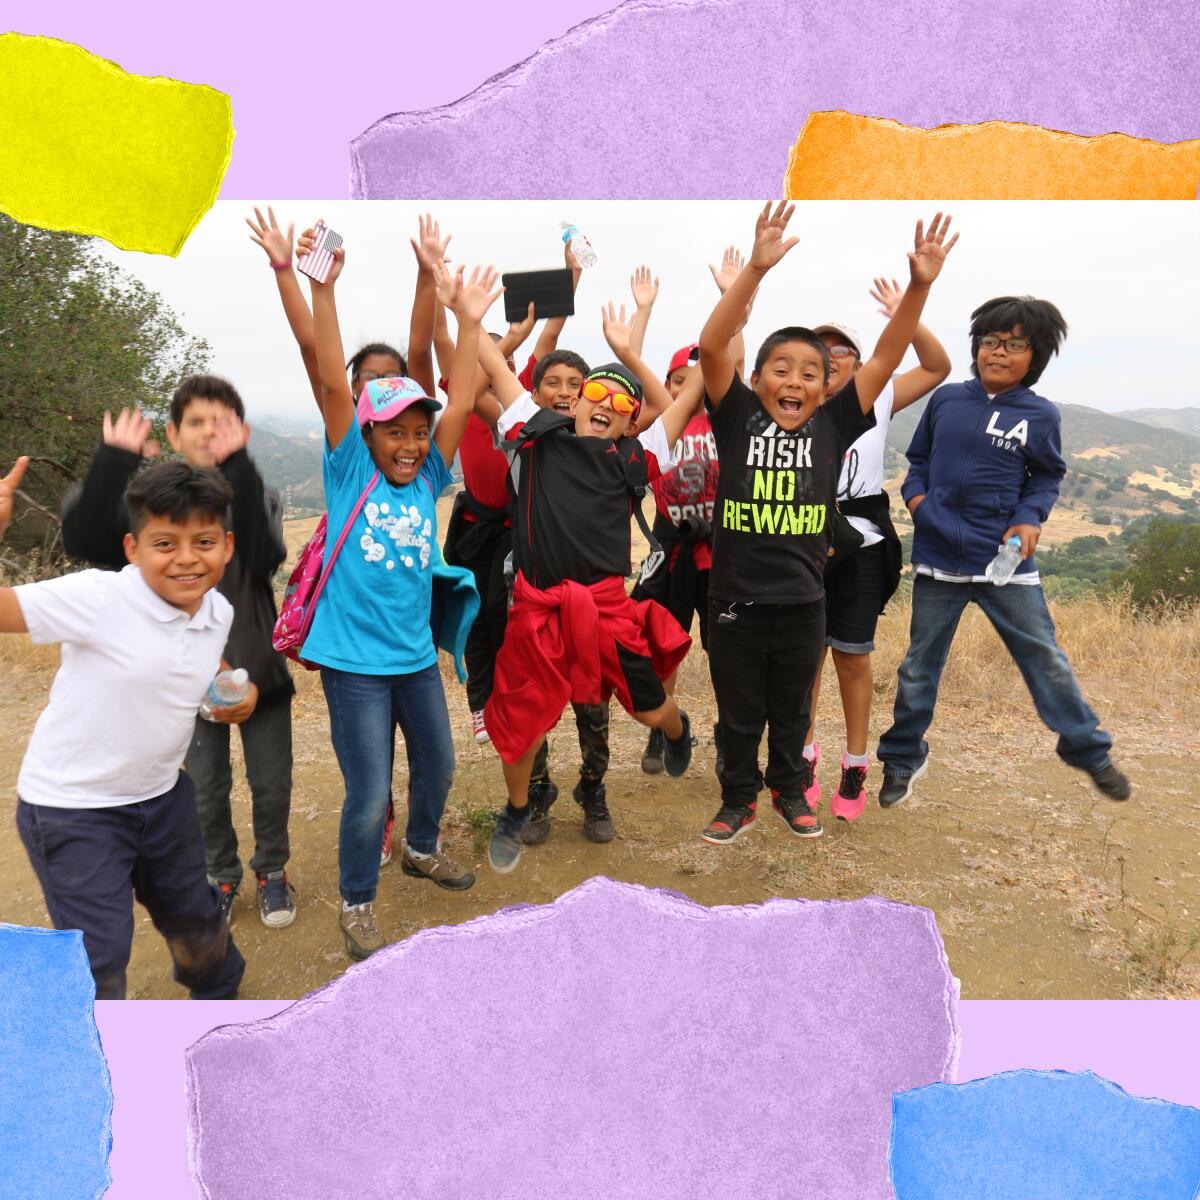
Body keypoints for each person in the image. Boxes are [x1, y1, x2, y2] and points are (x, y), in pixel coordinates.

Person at [696, 203, 958, 846]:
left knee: (791, 708)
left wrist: (920, 287)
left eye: (810, 374)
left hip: (802, 597)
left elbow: (893, 351)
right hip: (733, 598)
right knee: (738, 712)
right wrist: (754, 271)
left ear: (825, 389)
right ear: (755, 381)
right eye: (780, 370)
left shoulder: (836, 422)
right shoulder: (735, 418)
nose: (795, 381)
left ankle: (789, 791)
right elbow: (710, 346)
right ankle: (737, 800)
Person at [295, 226, 486, 960]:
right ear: (366, 435)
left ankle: (424, 847)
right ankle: (357, 901)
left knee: (437, 765)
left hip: (411, 657)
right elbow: (330, 381)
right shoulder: (350, 468)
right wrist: (322, 286)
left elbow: (463, 396)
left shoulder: (432, 477)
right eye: (393, 432)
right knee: (369, 792)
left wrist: (467, 321)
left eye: (417, 431)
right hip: (354, 664)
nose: (408, 444)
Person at [3, 460, 247, 1000]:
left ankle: (220, 1011)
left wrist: (230, 689)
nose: (187, 558)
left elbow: (203, 661)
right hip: (72, 811)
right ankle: (100, 1063)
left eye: (203, 541)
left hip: (162, 799)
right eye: (165, 543)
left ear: (226, 546)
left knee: (198, 923)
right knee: (99, 957)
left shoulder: (217, 610)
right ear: (133, 549)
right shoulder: (99, 598)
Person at [60, 375, 297, 929]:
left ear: (241, 432)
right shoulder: (148, 506)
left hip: (258, 672)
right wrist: (112, 464)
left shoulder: (255, 495)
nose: (209, 435)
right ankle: (220, 875)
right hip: (176, 679)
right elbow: (87, 539)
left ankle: (272, 870)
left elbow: (264, 555)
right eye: (197, 424)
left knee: (272, 782)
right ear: (173, 433)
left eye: (222, 425)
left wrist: (239, 465)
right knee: (203, 790)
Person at [877, 296, 1132, 807]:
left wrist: (1027, 519)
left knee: (1044, 657)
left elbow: (1046, 477)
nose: (999, 352)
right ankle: (904, 758)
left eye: (1016, 344)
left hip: (1006, 561)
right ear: (976, 348)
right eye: (991, 341)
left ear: (1033, 357)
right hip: (938, 559)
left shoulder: (1040, 414)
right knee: (918, 668)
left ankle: (1086, 749)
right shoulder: (947, 400)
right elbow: (918, 460)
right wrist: (919, 502)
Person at [472, 317, 702, 874]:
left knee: (649, 710)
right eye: (594, 391)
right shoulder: (534, 437)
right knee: (522, 723)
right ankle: (517, 808)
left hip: (606, 609)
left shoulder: (635, 456)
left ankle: (678, 728)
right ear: (573, 403)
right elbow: (492, 366)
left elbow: (694, 387)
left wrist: (630, 349)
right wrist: (463, 311)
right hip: (537, 607)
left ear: (633, 421)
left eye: (622, 402)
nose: (605, 403)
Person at [802, 277, 952, 822]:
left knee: (852, 655)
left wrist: (906, 315)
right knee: (807, 656)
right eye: (821, 350)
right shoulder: (794, 400)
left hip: (862, 540)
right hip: (805, 538)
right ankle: (803, 757)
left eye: (843, 350)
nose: (831, 358)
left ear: (860, 361)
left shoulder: (879, 393)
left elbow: (937, 367)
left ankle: (855, 764)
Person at [627, 249, 749, 777]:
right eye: (676, 378)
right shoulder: (659, 430)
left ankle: (729, 736)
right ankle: (664, 728)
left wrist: (732, 294)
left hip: (721, 549)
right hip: (670, 544)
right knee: (663, 646)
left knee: (726, 654)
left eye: (692, 377)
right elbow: (632, 359)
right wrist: (644, 310)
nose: (683, 386)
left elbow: (734, 360)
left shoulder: (727, 422)